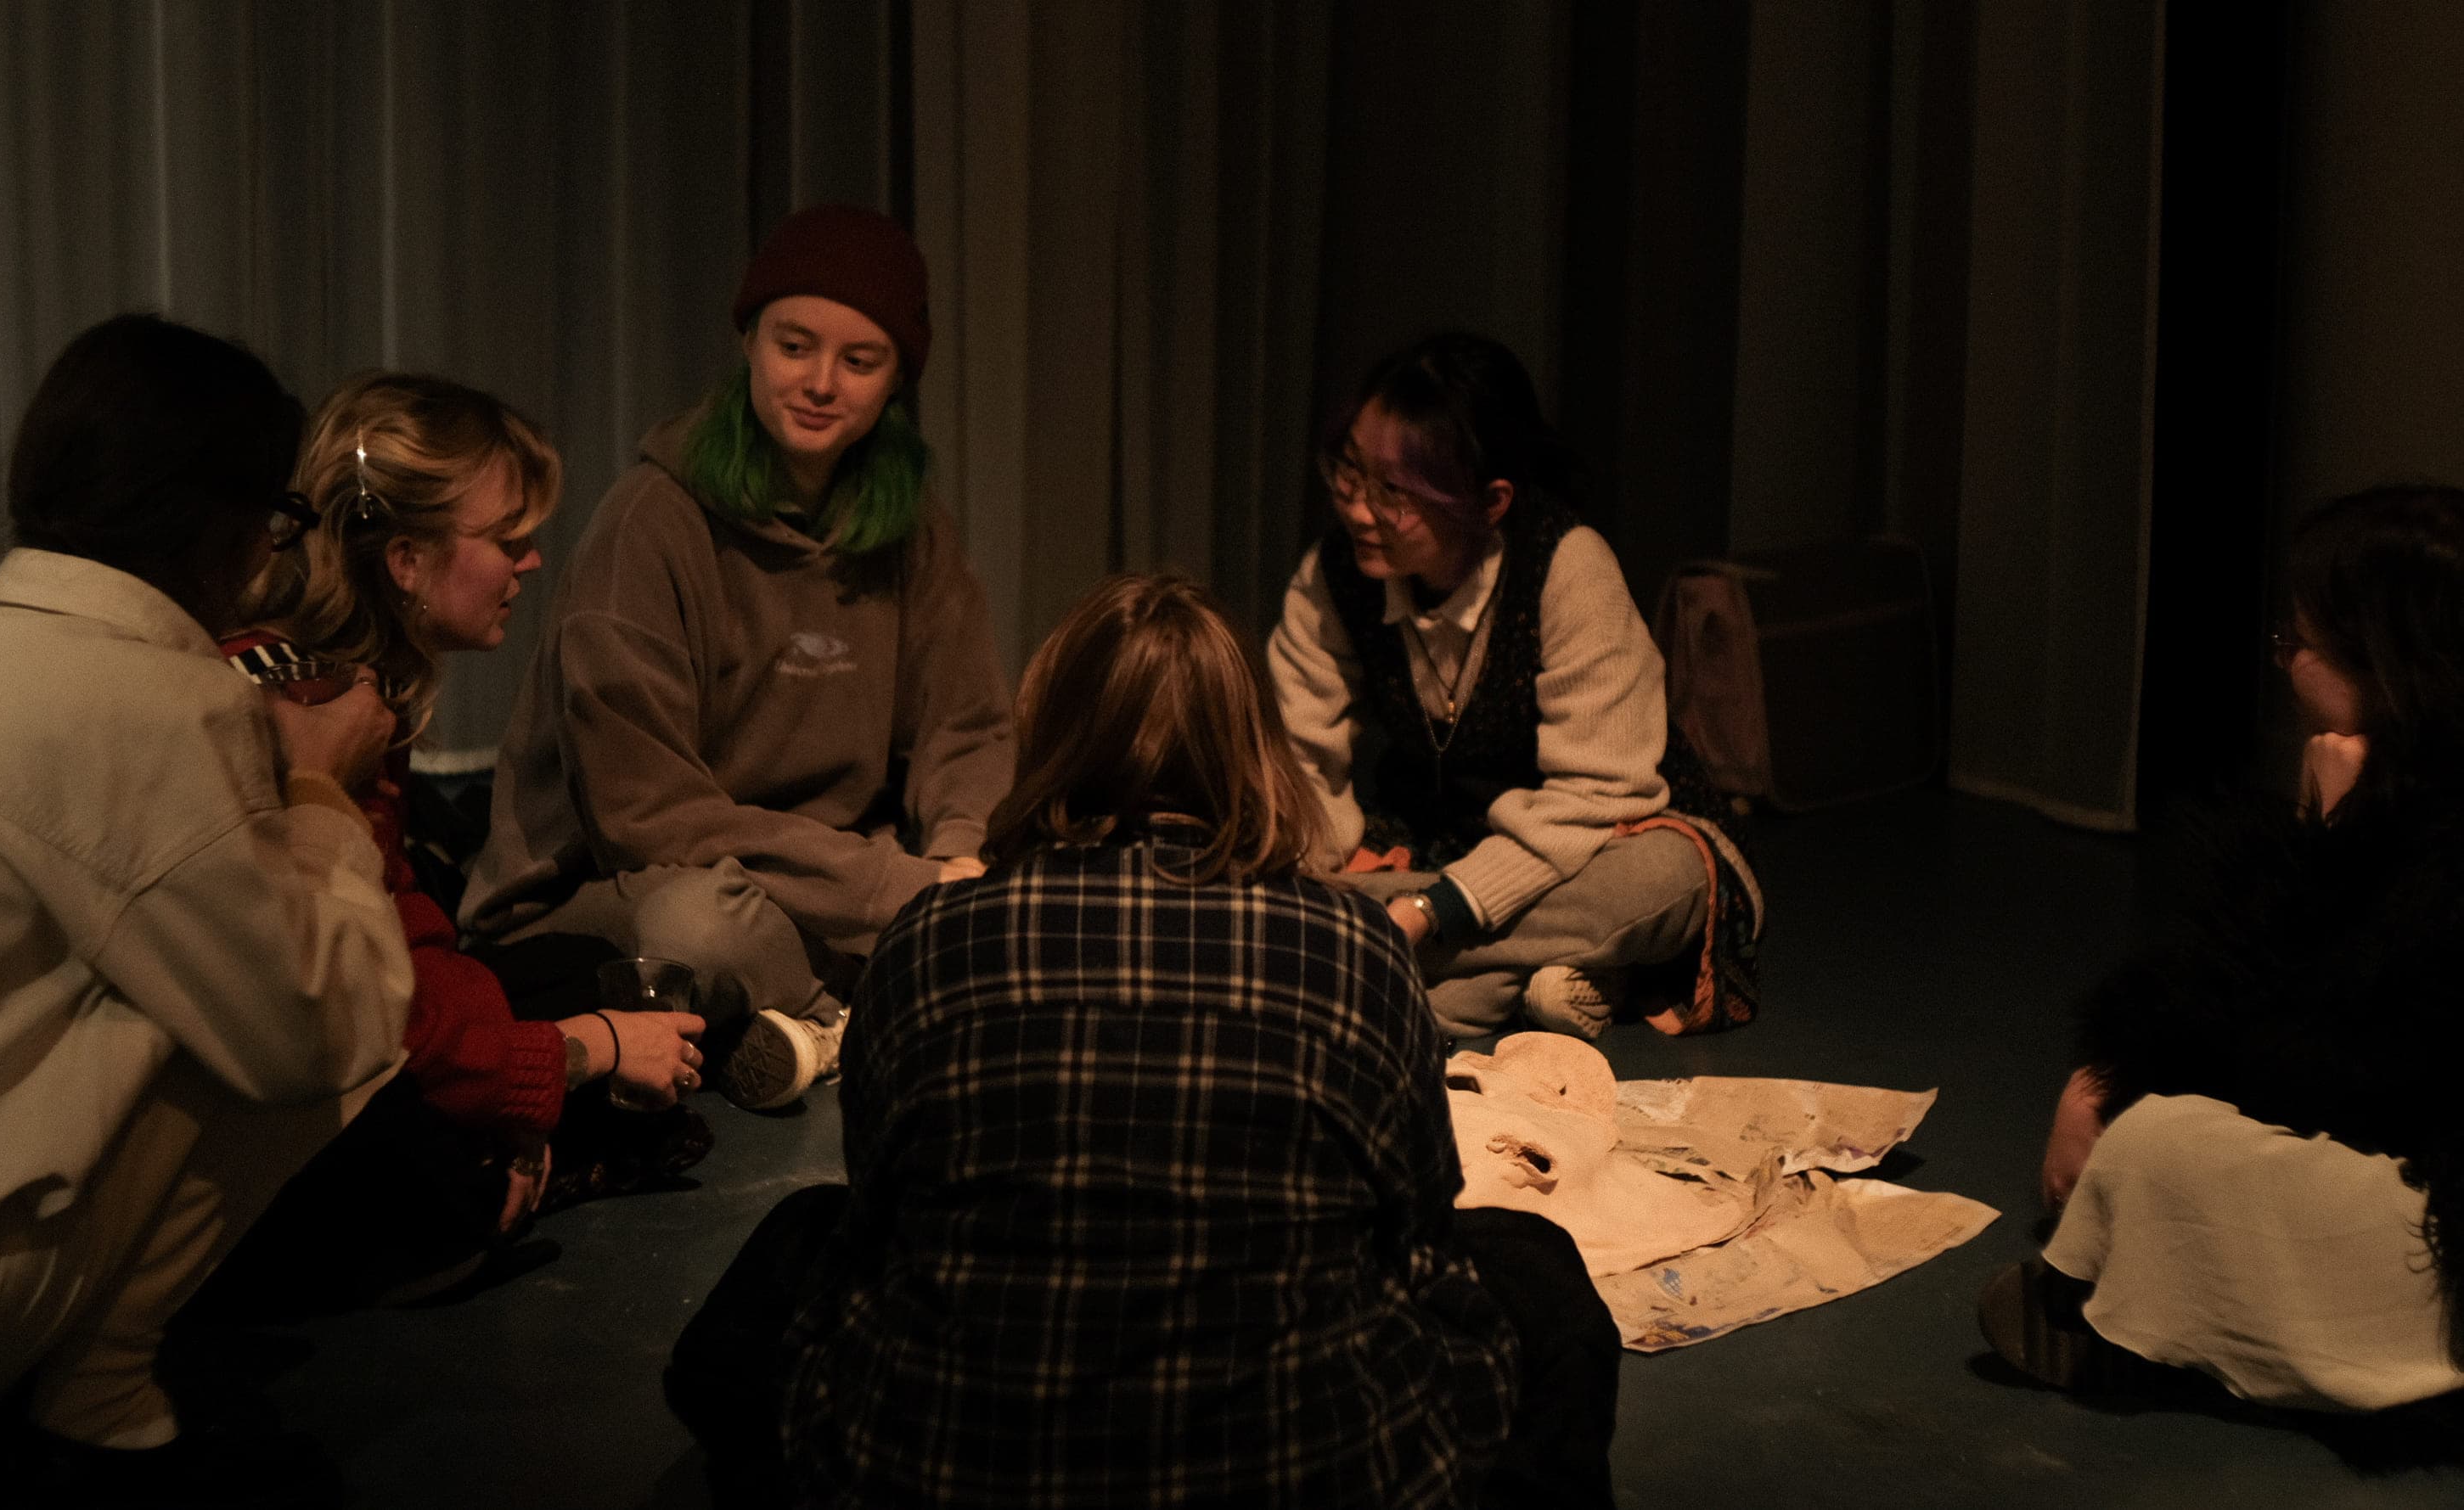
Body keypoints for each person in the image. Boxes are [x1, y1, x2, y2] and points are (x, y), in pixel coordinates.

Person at [667, 574, 1621, 1508]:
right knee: (1531, 1267)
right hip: (1308, 1470)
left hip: (940, 1471)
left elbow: (879, 1219)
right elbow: (1412, 1231)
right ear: (1254, 744)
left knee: (798, 1241)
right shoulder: (1358, 948)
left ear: (1050, 738)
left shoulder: (927, 937)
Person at [0, 315, 412, 1502]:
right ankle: (101, 1392)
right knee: (306, 1003)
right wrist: (317, 789)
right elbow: (318, 1028)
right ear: (228, 522)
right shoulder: (159, 703)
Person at [460, 205, 1015, 1110]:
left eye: (860, 360)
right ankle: (873, 1013)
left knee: (1003, 882)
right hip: (620, 884)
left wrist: (961, 863)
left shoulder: (912, 532)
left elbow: (968, 727)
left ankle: (825, 1018)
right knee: (697, 926)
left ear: (895, 380)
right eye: (795, 345)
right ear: (748, 339)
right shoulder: (651, 521)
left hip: (822, 876)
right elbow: (650, 816)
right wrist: (901, 893)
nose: (821, 382)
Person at [206, 373, 711, 1309]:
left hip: (355, 1020)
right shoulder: (308, 708)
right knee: (435, 1165)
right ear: (405, 558)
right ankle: (505, 1181)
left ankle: (517, 1152)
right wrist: (581, 1051)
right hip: (271, 1079)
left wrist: (529, 1058)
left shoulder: (355, 683)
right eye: (507, 537)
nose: (529, 561)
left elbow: (406, 932)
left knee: (580, 959)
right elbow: (363, 1011)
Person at [1983, 484, 2464, 1412]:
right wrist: (2102, 1071)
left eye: (2301, 645)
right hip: (2393, 1126)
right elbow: (2222, 1002)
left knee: (2166, 1145)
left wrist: (2328, 848)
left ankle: (2156, 1334)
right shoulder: (2402, 780)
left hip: (2435, 1192)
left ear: (2391, 665)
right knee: (2156, 1123)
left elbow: (2335, 1071)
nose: (2284, 668)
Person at [1269, 331, 1752, 1041]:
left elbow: (1594, 797)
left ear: (1490, 501)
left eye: (1393, 492)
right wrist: (1305, 870)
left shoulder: (1566, 568)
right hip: (1439, 846)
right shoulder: (1335, 575)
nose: (1359, 508)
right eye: (1350, 471)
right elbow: (1298, 760)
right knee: (1286, 874)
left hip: (1599, 842)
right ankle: (1538, 981)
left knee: (1668, 879)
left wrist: (1429, 912)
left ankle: (1366, 955)